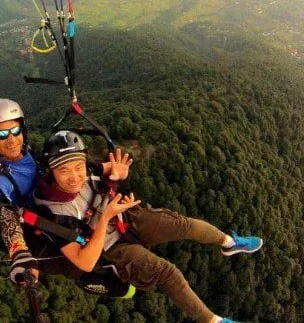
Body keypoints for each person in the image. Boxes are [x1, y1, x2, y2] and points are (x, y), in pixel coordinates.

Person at [34, 130, 263, 323]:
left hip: (126, 217)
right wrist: (105, 217)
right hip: (110, 248)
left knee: (186, 225)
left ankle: (229, 243)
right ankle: (214, 321)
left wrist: (119, 174)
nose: (75, 177)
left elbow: (110, 172)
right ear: (51, 171)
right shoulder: (51, 212)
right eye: (64, 170)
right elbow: (85, 263)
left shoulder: (87, 171)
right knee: (168, 274)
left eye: (78, 167)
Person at [0, 98, 41, 282]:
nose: (12, 140)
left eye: (16, 131)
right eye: (2, 134)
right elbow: (3, 209)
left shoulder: (28, 152)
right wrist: (19, 250)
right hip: (35, 228)